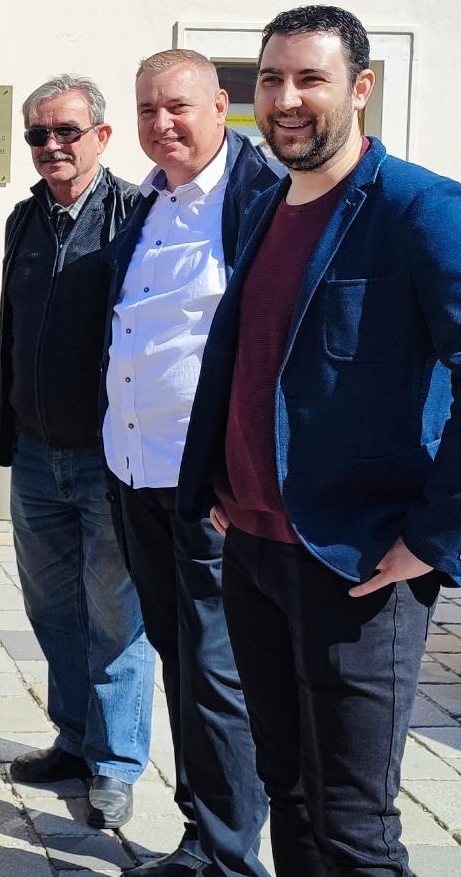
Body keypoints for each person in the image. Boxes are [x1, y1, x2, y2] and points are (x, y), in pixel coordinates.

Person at [176, 6, 461, 876]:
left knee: (353, 826)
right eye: (271, 79)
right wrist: (225, 489)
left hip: (356, 563)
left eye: (310, 79)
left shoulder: (418, 207)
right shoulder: (264, 206)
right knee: (287, 790)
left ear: (361, 89)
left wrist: (437, 536)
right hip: (254, 552)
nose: (286, 99)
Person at [103, 49, 282, 877]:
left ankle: (229, 854)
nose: (161, 123)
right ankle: (201, 832)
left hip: (209, 485)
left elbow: (275, 349)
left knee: (216, 674)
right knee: (180, 662)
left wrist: (244, 475)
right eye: (147, 110)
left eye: (177, 106)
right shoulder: (144, 202)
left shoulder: (261, 197)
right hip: (136, 473)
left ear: (220, 106)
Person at [0, 74, 153, 830]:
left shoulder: (136, 217)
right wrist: (0, 424)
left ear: (102, 137)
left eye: (67, 132)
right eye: (39, 134)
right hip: (36, 455)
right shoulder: (23, 220)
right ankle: (75, 740)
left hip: (108, 458)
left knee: (115, 616)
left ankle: (116, 764)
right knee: (52, 608)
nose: (52, 145)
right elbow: (14, 330)